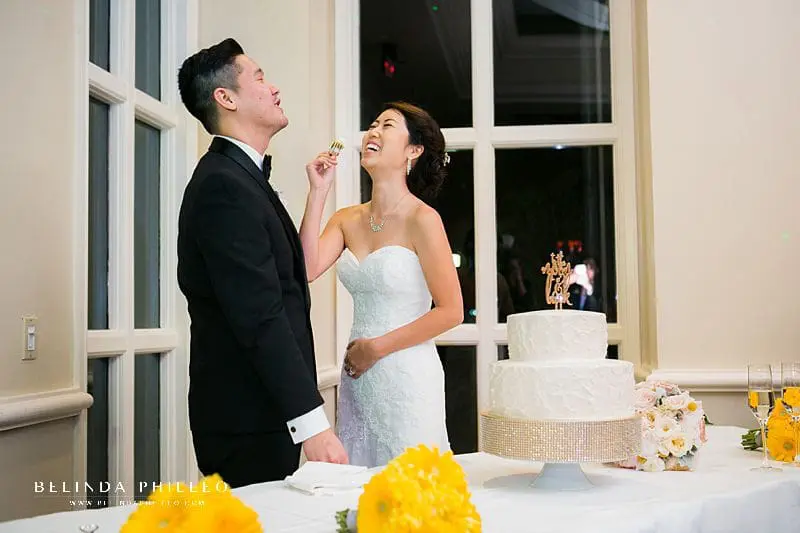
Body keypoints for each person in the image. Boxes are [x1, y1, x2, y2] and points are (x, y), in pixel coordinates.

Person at [176, 38, 347, 488]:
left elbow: (290, 281)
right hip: (247, 420)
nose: (273, 88)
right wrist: (312, 424)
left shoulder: (241, 179)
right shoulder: (223, 187)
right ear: (225, 98)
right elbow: (259, 315)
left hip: (264, 416)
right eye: (259, 76)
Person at [300, 101, 464, 467]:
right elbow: (307, 268)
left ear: (413, 150)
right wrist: (318, 192)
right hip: (359, 381)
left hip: (407, 377)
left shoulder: (423, 219)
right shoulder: (346, 219)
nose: (373, 131)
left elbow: (451, 311)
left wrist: (376, 349)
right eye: (372, 124)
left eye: (387, 125)